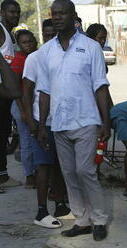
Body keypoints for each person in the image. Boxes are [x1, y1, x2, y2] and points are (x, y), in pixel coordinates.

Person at [37, 0, 113, 240]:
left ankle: (99, 219)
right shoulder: (46, 51)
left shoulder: (90, 47)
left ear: (74, 16)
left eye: (62, 13)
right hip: (59, 123)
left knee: (85, 171)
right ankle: (82, 219)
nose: (57, 17)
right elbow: (45, 91)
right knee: (69, 173)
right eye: (54, 14)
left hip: (86, 120)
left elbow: (100, 87)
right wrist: (41, 126)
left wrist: (106, 121)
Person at [22, 20, 71, 229]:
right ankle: (41, 211)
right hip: (41, 122)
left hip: (61, 121)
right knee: (43, 166)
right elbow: (26, 92)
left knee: (59, 166)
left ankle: (60, 205)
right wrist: (31, 123)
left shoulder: (64, 56)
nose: (52, 37)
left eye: (55, 34)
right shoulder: (35, 58)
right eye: (48, 34)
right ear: (43, 34)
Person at [10, 30, 37, 188]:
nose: (28, 45)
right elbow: (17, 91)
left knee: (36, 141)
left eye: (30, 41)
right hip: (22, 106)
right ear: (19, 45)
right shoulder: (19, 60)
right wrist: (24, 112)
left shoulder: (36, 57)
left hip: (35, 104)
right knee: (26, 142)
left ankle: (39, 172)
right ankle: (29, 175)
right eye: (24, 42)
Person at [0, 0, 22, 189]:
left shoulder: (10, 34)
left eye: (17, 12)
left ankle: (2, 174)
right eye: (11, 12)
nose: (15, 15)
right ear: (2, 12)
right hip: (2, 89)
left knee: (4, 132)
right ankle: (2, 176)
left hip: (7, 90)